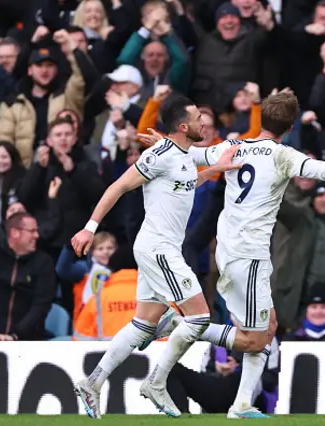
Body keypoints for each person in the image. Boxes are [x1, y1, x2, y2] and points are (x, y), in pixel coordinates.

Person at [138, 90, 325, 418]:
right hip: (250, 256)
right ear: (290, 125)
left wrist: (164, 144)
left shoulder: (234, 145)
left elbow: (193, 155)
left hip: (227, 251)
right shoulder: (283, 156)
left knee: (269, 326)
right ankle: (179, 326)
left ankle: (241, 403)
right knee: (256, 339)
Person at [69, 95, 242, 419]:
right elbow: (118, 187)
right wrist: (89, 229)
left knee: (141, 325)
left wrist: (216, 168)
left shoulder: (183, 154)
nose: (203, 122)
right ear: (182, 126)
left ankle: (92, 382)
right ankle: (156, 381)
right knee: (199, 318)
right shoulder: (160, 155)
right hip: (158, 248)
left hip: (160, 248)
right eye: (196, 117)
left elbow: (186, 182)